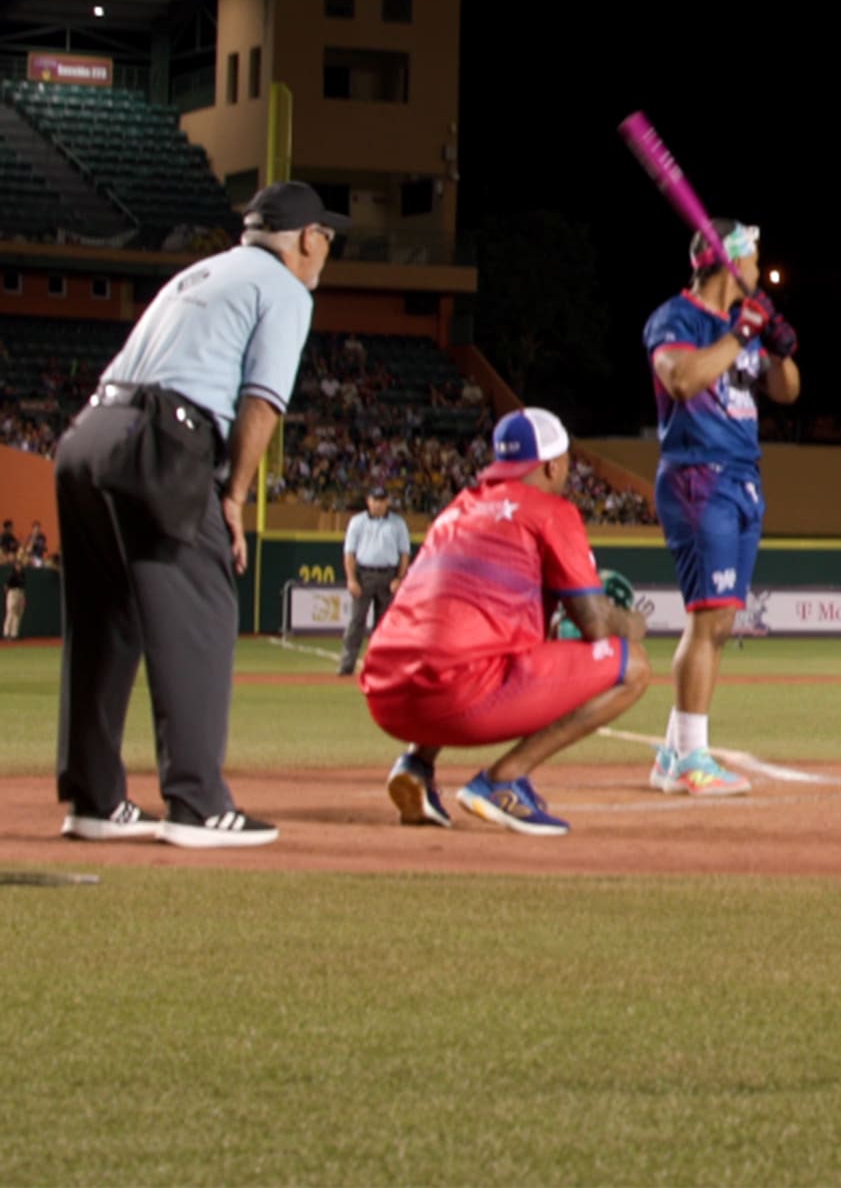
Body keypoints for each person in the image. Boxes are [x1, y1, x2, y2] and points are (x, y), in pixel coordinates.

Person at [55, 180, 343, 848]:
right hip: (163, 438)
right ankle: (197, 803)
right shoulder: (284, 290)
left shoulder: (200, 272)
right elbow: (263, 402)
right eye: (326, 235)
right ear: (305, 238)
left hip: (88, 436)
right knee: (205, 607)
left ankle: (94, 799)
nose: (327, 247)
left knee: (105, 619)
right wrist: (234, 499)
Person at [360, 409, 651, 835]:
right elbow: (595, 627)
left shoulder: (459, 508)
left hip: (385, 694)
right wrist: (631, 622)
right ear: (553, 465)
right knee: (635, 666)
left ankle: (417, 764)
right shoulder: (550, 511)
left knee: (458, 637)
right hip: (460, 698)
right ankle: (503, 781)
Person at [643, 217, 800, 796]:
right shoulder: (675, 318)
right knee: (707, 618)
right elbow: (682, 379)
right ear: (730, 262)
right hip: (697, 475)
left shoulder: (746, 326)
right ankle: (691, 761)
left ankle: (674, 752)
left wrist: (778, 348)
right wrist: (740, 333)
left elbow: (787, 392)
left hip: (741, 476)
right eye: (754, 256)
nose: (760, 266)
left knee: (721, 620)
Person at [337, 484, 412, 676]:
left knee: (385, 625)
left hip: (388, 575)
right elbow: (350, 553)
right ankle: (347, 665)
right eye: (374, 500)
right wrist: (352, 579)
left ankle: (381, 667)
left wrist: (399, 578)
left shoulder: (397, 523)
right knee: (357, 621)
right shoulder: (357, 522)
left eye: (381, 500)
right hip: (364, 574)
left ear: (387, 502)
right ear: (368, 501)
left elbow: (404, 554)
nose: (378, 504)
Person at [2, 544, 25, 640]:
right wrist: (8, 595)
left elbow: (24, 586)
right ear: (15, 566)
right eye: (17, 565)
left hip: (20, 593)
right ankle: (6, 633)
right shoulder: (12, 575)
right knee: (10, 613)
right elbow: (6, 586)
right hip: (12, 593)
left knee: (17, 614)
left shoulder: (22, 574)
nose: (19, 566)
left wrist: (23, 597)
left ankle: (14, 634)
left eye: (20, 565)